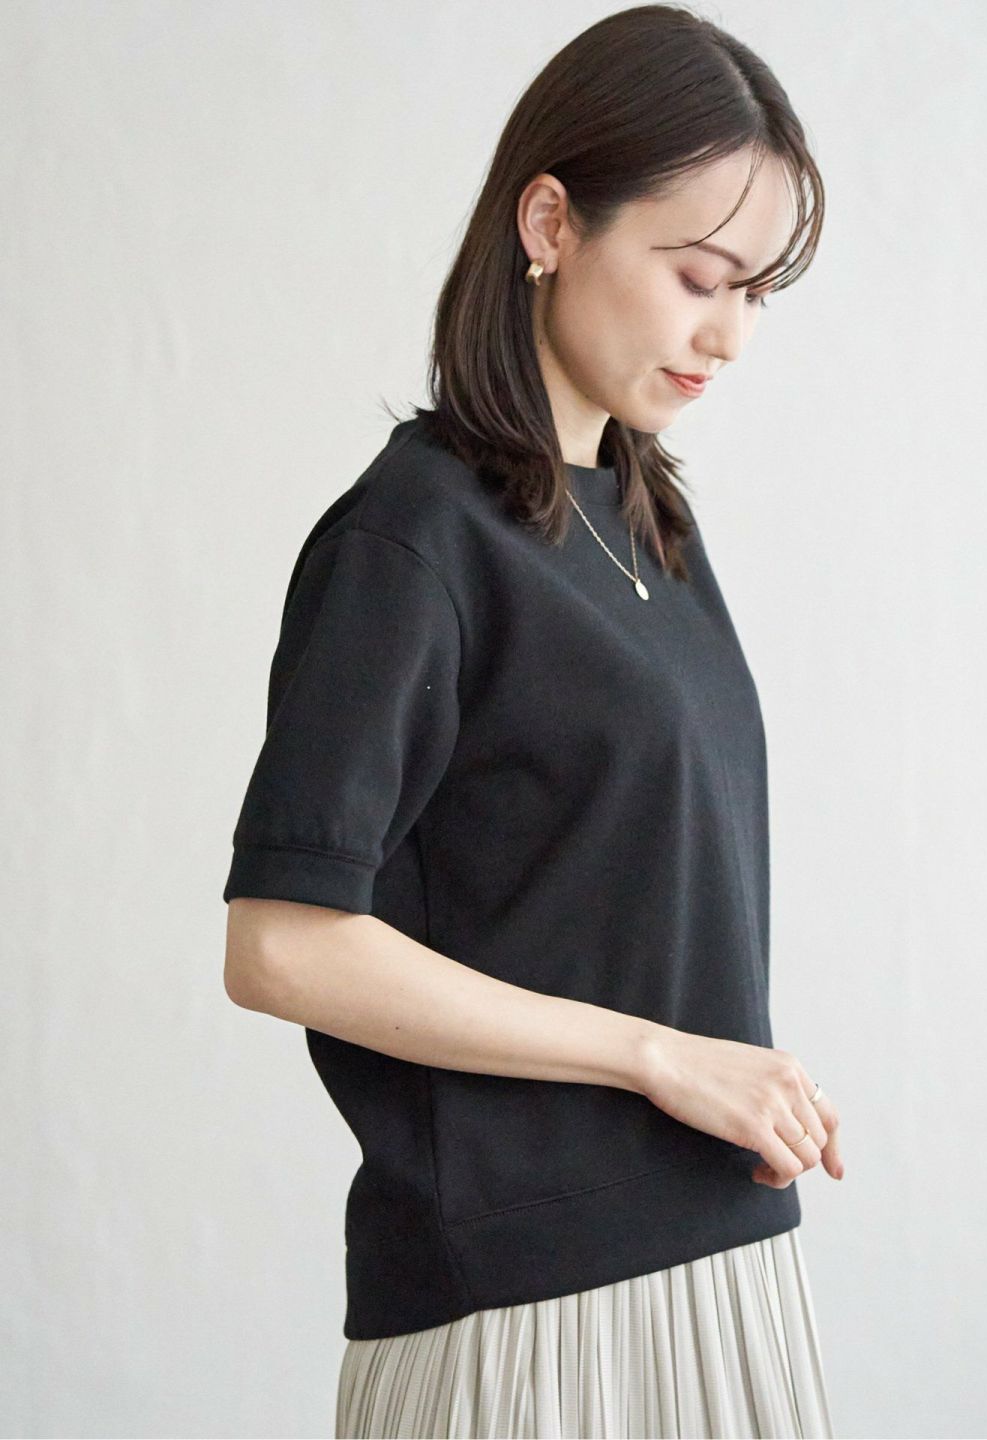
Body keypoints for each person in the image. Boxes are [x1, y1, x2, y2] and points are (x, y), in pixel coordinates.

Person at [221, 4, 842, 1436]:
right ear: (551, 221)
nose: (728, 335)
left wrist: (728, 1070)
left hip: (720, 1257)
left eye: (756, 293)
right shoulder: (413, 542)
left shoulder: (648, 524)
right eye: (697, 276)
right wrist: (657, 1056)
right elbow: (281, 943)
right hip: (529, 1304)